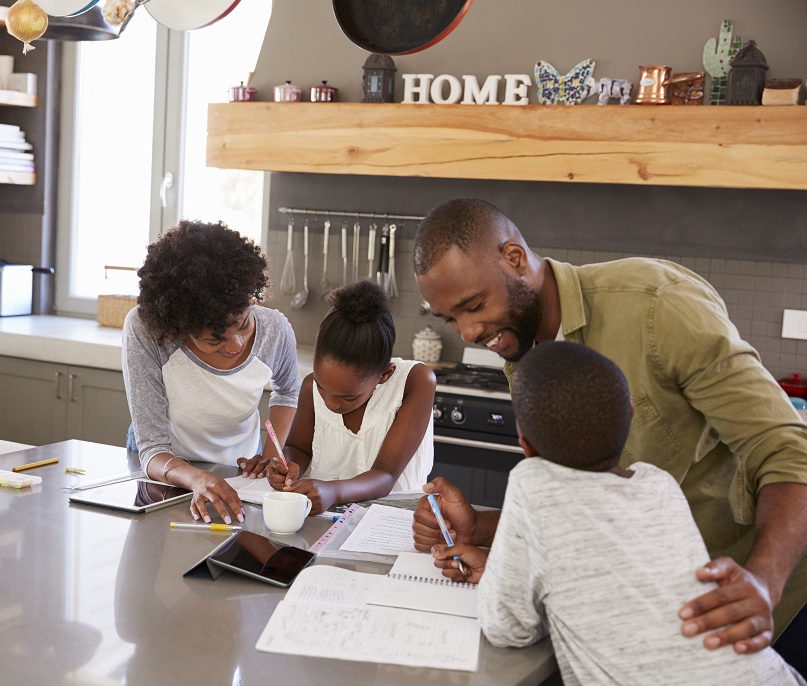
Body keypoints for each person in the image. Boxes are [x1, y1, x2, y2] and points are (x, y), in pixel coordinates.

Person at [410, 198, 807, 670]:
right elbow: (583, 504)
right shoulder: (524, 351)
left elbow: (788, 452)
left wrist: (763, 581)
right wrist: (481, 526)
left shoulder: (658, 306)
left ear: (514, 259)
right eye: (451, 319)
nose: (470, 331)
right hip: (662, 625)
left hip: (768, 610)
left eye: (474, 306)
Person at [471, 342, 805, 685]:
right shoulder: (659, 484)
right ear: (629, 417)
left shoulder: (532, 483)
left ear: (524, 443)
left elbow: (508, 627)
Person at [122, 220, 302, 525]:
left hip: (241, 470)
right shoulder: (147, 331)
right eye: (214, 340)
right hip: (163, 473)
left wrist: (271, 456)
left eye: (244, 324)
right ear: (180, 328)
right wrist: (196, 478)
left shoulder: (275, 329)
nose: (236, 344)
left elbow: (287, 392)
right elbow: (152, 450)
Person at [267, 280, 436, 514]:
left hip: (392, 520)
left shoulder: (415, 382)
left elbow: (385, 475)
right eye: (321, 386)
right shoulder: (309, 387)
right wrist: (289, 464)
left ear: (384, 375)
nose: (330, 402)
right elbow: (299, 447)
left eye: (348, 397)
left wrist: (332, 492)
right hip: (323, 518)